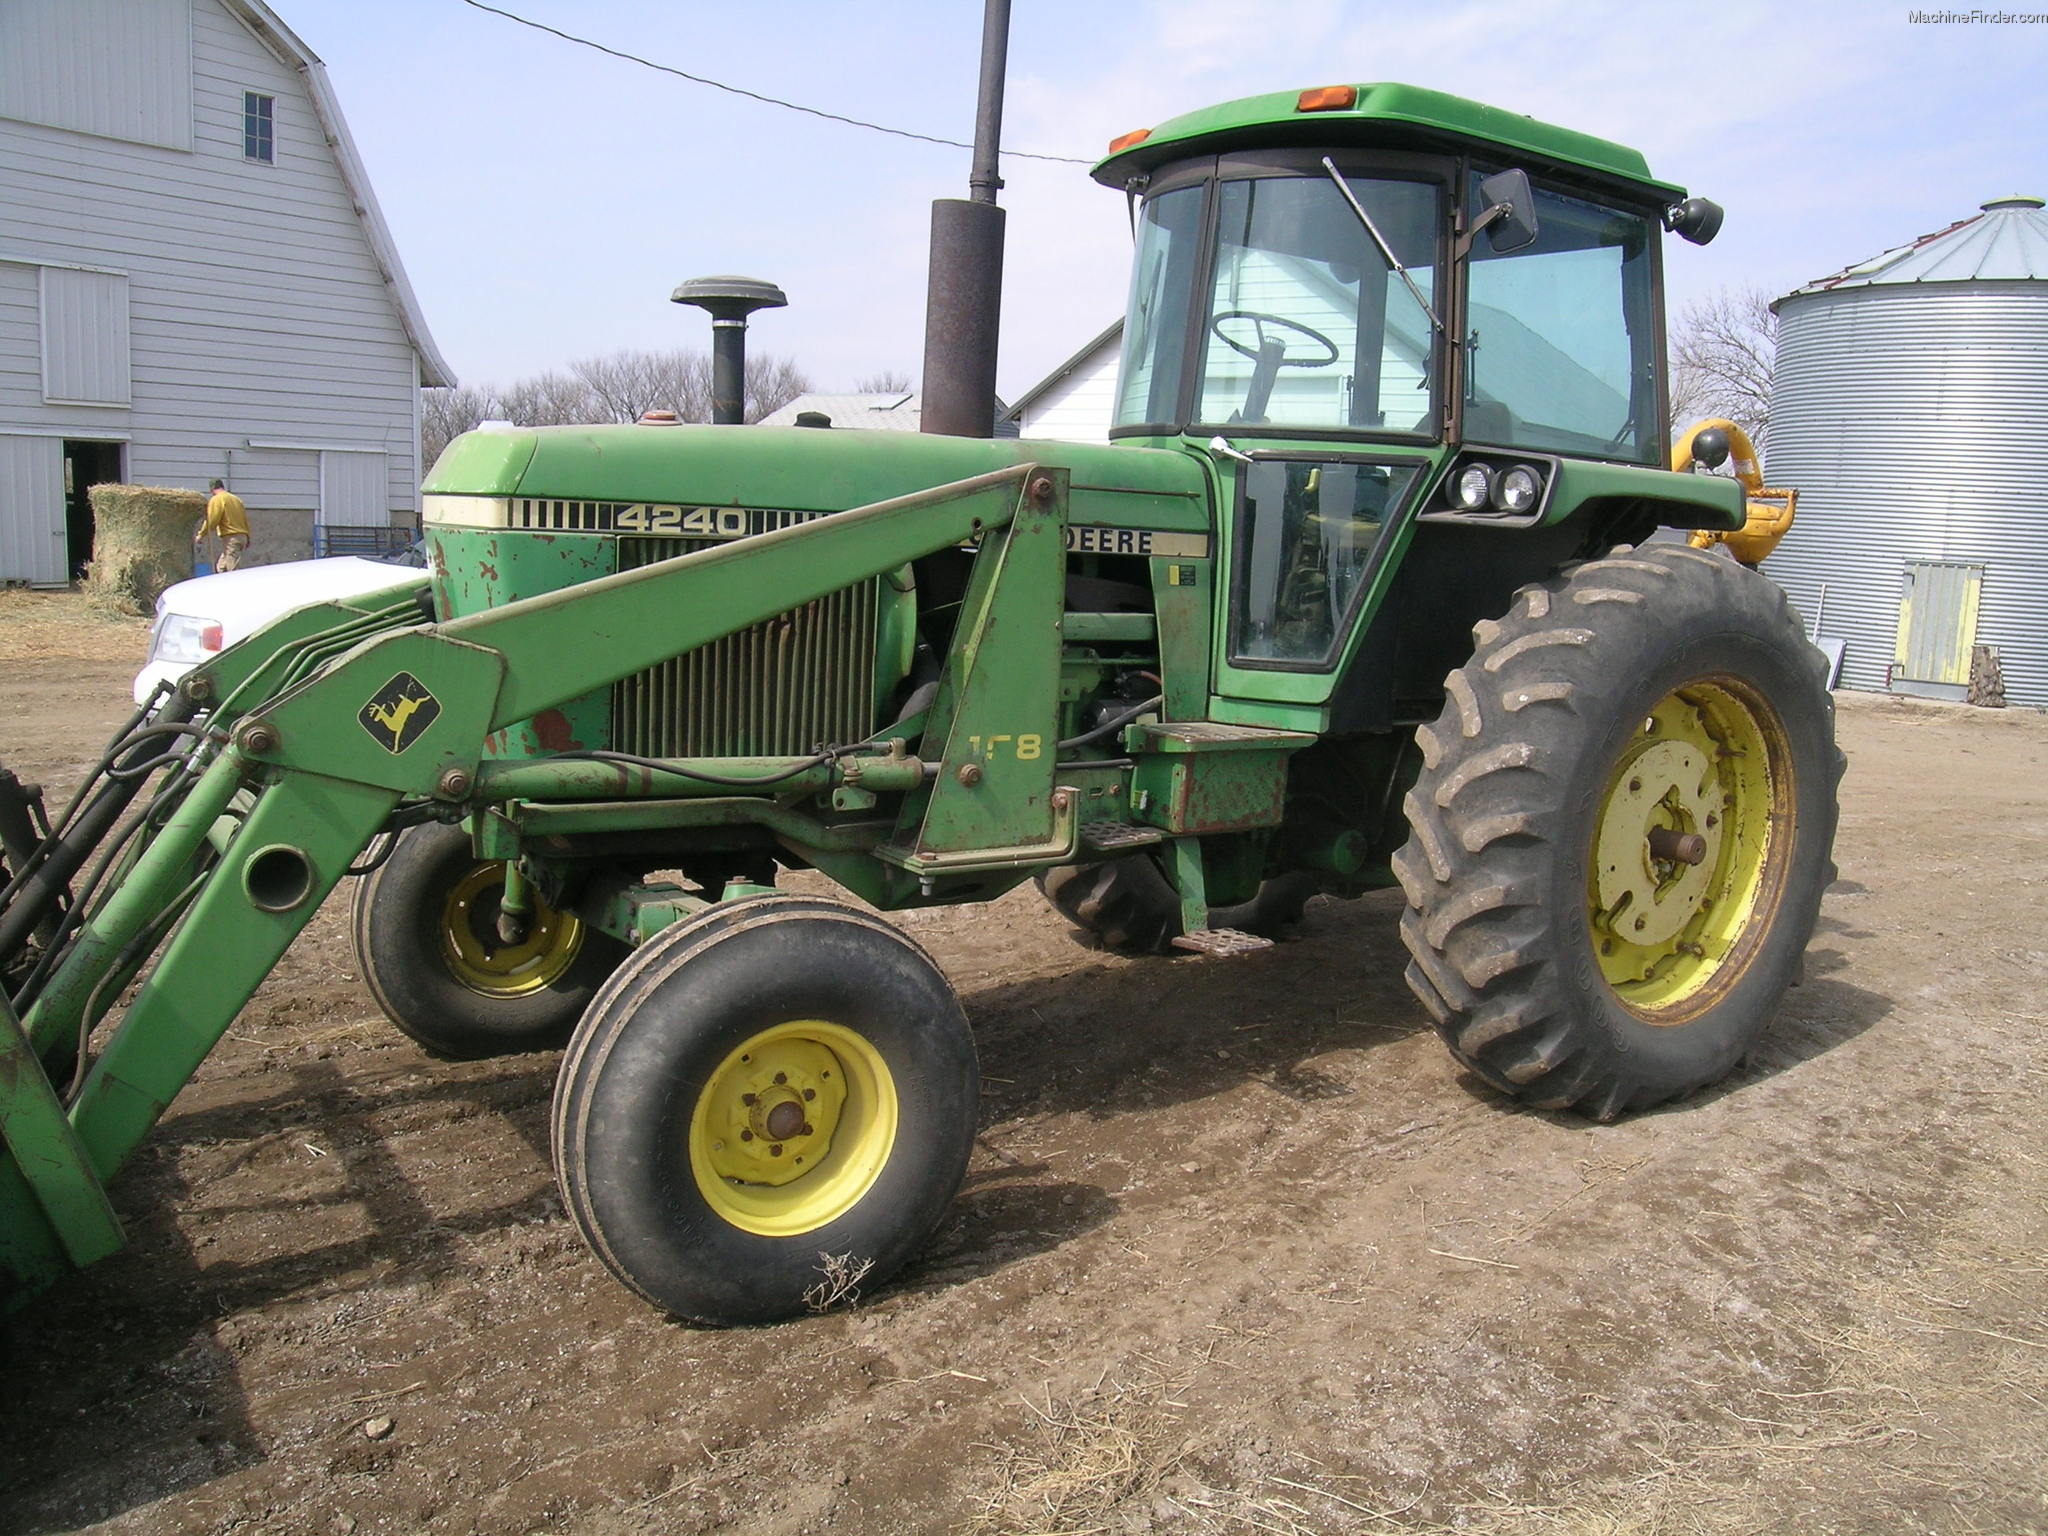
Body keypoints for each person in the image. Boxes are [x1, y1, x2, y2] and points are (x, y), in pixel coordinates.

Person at [196, 478, 250, 572]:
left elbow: (212, 520)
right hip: (242, 536)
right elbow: (244, 519)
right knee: (221, 568)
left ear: (212, 489)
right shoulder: (236, 499)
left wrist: (201, 534)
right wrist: (248, 537)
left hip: (231, 538)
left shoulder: (217, 499)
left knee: (232, 570)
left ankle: (236, 586)